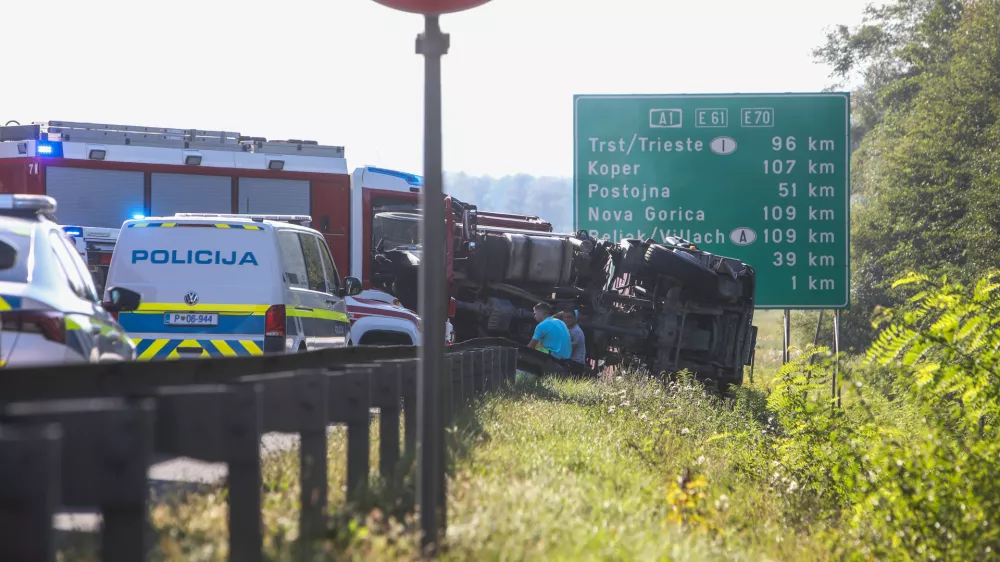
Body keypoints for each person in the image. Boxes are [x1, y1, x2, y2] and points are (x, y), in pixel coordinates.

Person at [559, 310, 588, 375]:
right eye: (564, 317)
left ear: (575, 319)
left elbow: (568, 352)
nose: (566, 319)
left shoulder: (576, 331)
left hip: (575, 364)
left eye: (569, 317)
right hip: (569, 361)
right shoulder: (567, 328)